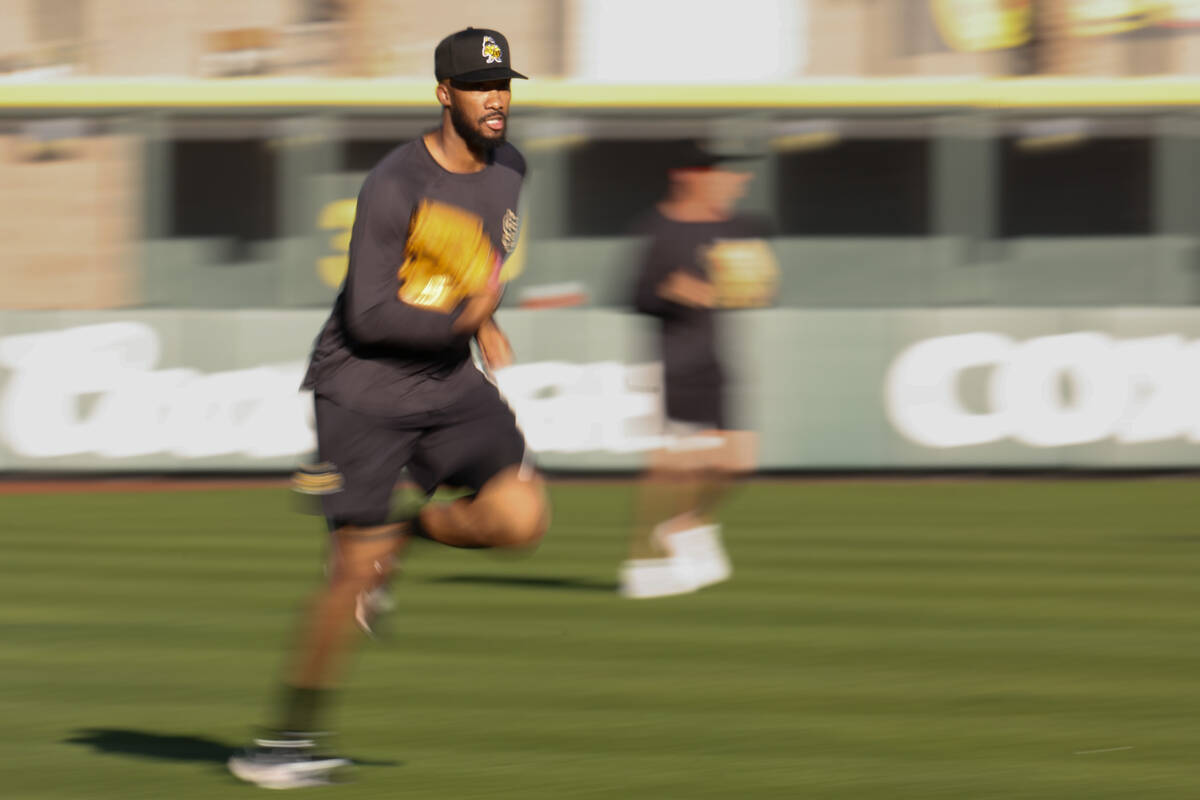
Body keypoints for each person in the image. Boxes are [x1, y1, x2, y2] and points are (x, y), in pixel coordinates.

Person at [229, 27, 549, 789]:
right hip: (362, 387)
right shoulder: (394, 184)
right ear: (445, 94)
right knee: (348, 580)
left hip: (444, 380)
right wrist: (467, 321)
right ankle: (281, 743)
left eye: (502, 84)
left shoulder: (510, 167)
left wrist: (486, 317)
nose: (495, 98)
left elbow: (479, 265)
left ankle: (402, 536)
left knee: (520, 518)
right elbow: (370, 316)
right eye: (478, 85)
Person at [620, 140, 778, 599]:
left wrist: (749, 281)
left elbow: (756, 284)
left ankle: (686, 526)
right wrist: (671, 290)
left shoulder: (736, 227)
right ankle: (641, 564)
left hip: (716, 358)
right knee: (671, 464)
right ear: (688, 176)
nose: (735, 182)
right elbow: (635, 295)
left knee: (738, 461)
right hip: (672, 360)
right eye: (722, 173)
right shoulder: (658, 229)